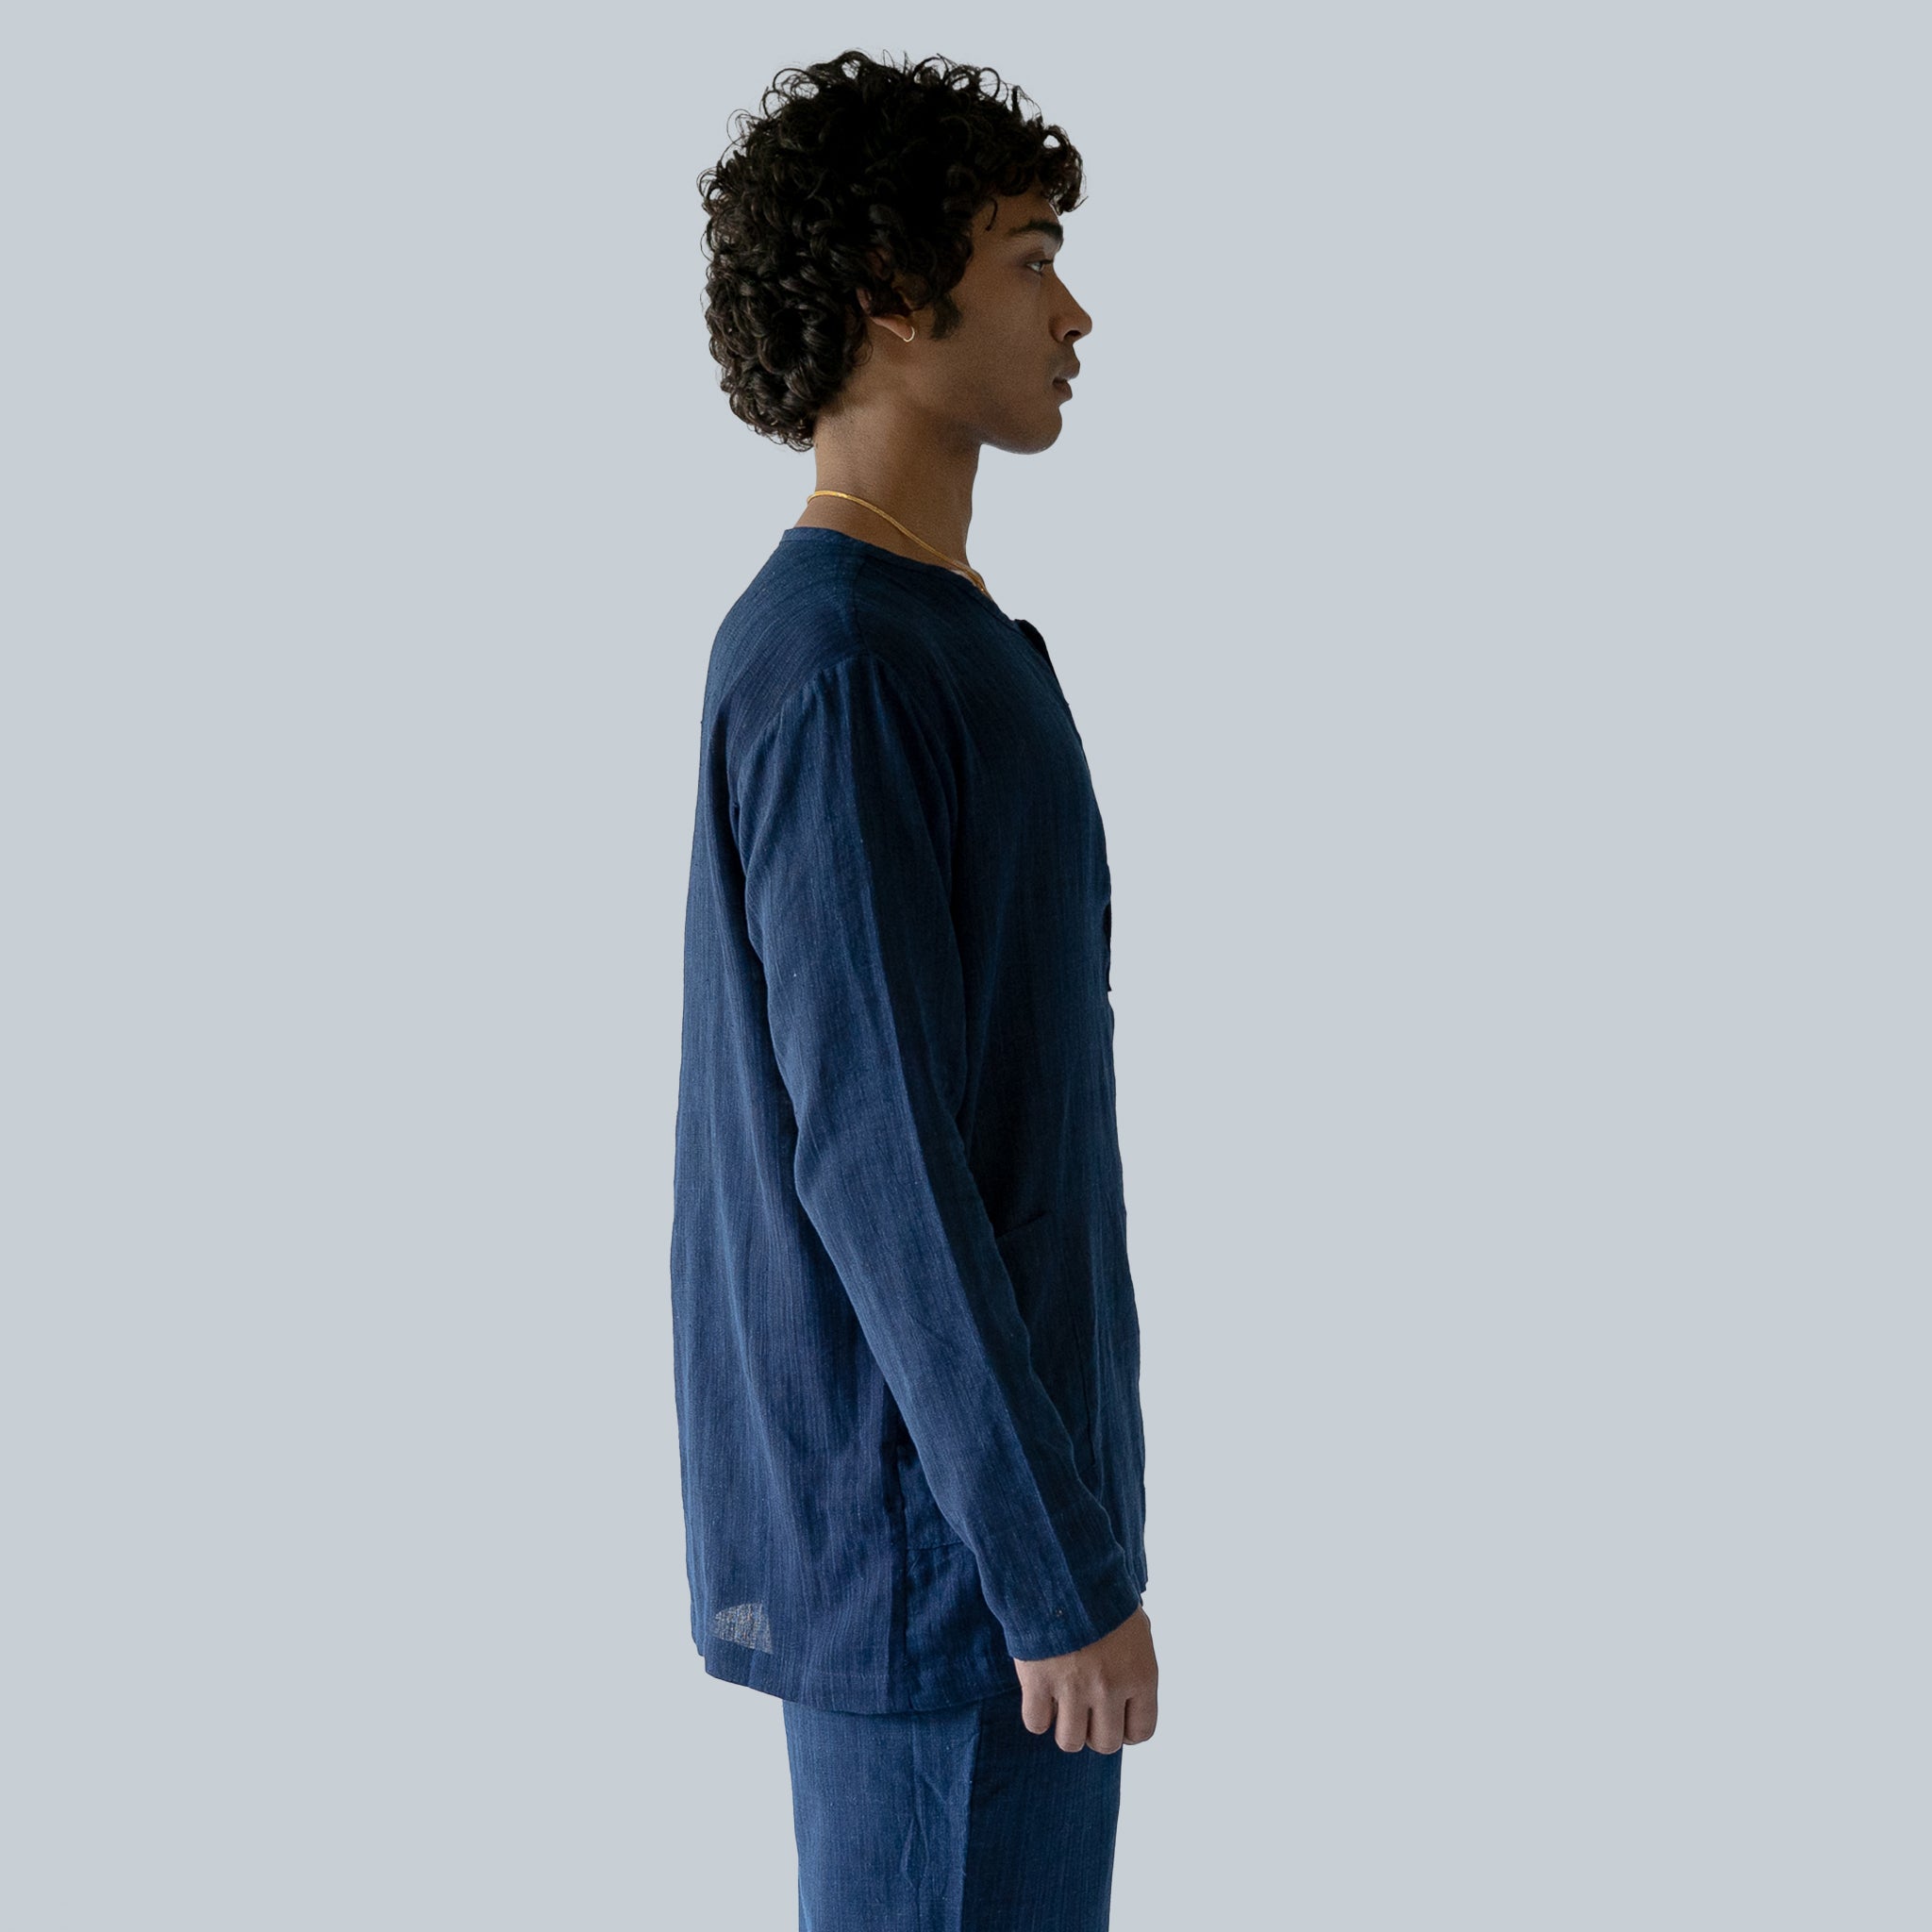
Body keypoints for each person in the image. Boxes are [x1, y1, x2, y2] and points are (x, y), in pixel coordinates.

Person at [673, 49, 1158, 1929]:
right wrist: (1048, 1573)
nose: (1073, 310)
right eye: (1029, 256)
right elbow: (876, 1160)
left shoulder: (930, 639)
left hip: (992, 1537)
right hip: (939, 1564)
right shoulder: (842, 665)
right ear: (890, 288)